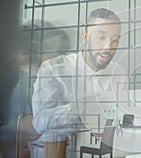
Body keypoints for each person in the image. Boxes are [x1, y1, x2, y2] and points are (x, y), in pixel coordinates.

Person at [31, 8, 126, 158]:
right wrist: (82, 108)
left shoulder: (118, 73)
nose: (108, 47)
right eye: (101, 37)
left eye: (115, 40)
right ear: (85, 37)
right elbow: (41, 122)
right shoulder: (53, 69)